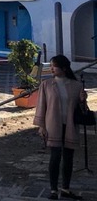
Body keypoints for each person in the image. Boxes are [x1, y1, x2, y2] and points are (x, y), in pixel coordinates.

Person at [34, 55, 87, 200]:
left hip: (69, 125)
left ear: (63, 68)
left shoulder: (76, 86)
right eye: (50, 65)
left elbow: (82, 110)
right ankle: (53, 189)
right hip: (52, 126)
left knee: (68, 158)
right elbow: (41, 107)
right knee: (55, 157)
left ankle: (65, 188)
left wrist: (82, 100)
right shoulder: (46, 85)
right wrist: (41, 126)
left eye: (54, 66)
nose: (51, 68)